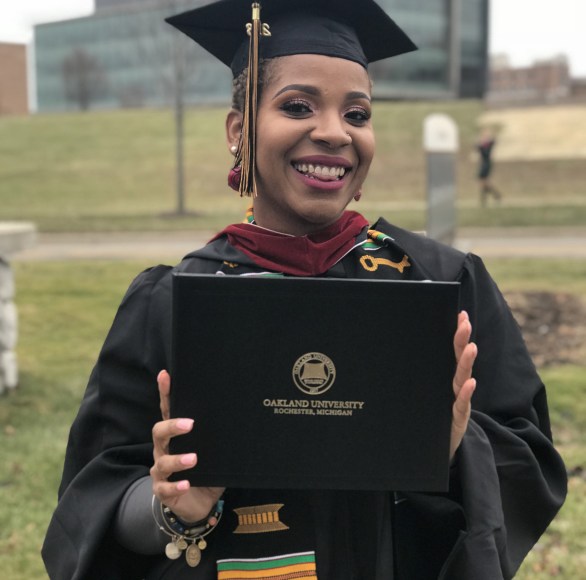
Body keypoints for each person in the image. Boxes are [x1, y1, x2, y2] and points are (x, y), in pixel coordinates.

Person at [42, 1, 567, 578]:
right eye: (297, 106)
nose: (334, 132)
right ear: (239, 129)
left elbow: (532, 463)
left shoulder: (440, 283)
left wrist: (451, 453)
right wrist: (171, 509)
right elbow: (92, 504)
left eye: (358, 114)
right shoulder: (173, 302)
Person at [476, 127, 503, 206]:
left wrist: (491, 134)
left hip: (487, 164)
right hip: (483, 163)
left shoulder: (489, 145)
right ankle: (493, 198)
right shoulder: (482, 146)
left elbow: (494, 140)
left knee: (484, 182)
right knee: (483, 182)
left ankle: (493, 197)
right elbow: (476, 147)